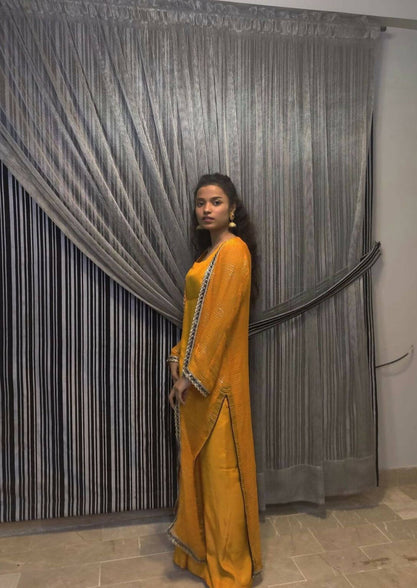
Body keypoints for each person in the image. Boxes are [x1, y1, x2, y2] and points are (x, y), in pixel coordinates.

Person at [167, 173, 262, 587]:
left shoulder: (234, 252)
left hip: (219, 384)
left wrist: (192, 376)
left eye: (216, 202)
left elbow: (220, 323)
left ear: (232, 208)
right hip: (198, 377)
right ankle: (204, 558)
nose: (207, 209)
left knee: (223, 477)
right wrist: (178, 356)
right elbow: (195, 316)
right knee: (204, 474)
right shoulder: (207, 256)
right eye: (201, 202)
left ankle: (229, 570)